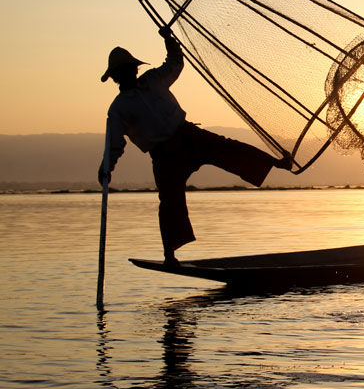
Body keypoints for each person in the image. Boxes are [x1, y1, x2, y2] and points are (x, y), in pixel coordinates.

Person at [99, 26, 292, 264]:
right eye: (123, 72)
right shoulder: (118, 108)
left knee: (228, 148)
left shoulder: (153, 80)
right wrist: (106, 166)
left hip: (188, 135)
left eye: (130, 69)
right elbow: (114, 143)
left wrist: (169, 41)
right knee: (170, 201)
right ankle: (170, 255)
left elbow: (174, 64)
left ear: (134, 70)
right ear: (116, 77)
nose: (129, 74)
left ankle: (277, 163)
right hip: (164, 155)